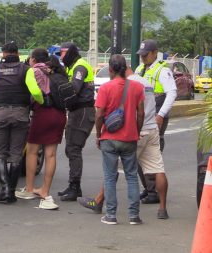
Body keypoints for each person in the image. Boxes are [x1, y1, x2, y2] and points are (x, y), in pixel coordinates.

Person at [78, 68, 170, 219]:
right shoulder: (145, 82)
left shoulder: (130, 84)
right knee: (158, 169)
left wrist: (134, 132)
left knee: (114, 170)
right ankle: (162, 209)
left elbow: (134, 112)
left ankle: (99, 201)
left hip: (136, 132)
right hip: (152, 129)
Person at [0, 42, 44, 204]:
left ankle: (5, 189)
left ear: (3, 53)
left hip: (1, 113)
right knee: (16, 153)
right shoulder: (26, 70)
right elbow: (35, 91)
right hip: (20, 114)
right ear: (18, 53)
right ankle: (11, 191)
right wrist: (41, 101)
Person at [94, 55, 145, 225]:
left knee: (109, 176)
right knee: (131, 176)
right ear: (126, 68)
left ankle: (111, 215)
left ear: (110, 69)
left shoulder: (105, 88)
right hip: (129, 138)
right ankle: (134, 216)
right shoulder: (137, 87)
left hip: (109, 137)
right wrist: (135, 132)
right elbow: (141, 113)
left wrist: (98, 134)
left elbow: (99, 114)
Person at [15, 48, 67, 210]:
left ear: (34, 60)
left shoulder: (34, 71)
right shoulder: (56, 70)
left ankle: (30, 189)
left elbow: (35, 91)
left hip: (43, 113)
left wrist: (42, 101)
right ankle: (45, 190)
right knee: (50, 154)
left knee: (32, 150)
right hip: (60, 115)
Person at [135, 39, 177, 204]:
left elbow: (171, 93)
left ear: (154, 53)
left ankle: (153, 192)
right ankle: (149, 189)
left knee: (151, 155)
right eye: (142, 55)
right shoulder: (140, 69)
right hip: (143, 116)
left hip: (156, 116)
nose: (143, 58)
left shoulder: (162, 71)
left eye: (146, 55)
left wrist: (161, 115)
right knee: (141, 155)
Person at [56, 42, 96, 201]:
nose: (61, 57)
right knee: (71, 148)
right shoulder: (72, 66)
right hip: (77, 112)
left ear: (71, 52)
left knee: (73, 148)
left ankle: (75, 187)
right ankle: (73, 185)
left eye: (63, 53)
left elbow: (74, 88)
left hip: (83, 111)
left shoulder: (80, 66)